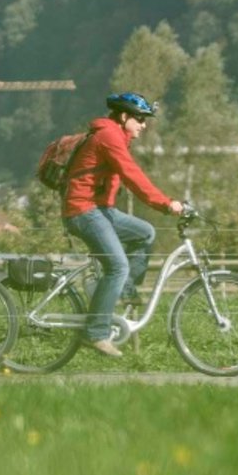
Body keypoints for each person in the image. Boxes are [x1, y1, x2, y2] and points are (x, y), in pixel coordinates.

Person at [63, 92, 185, 357]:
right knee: (117, 266)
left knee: (145, 233)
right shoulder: (109, 137)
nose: (144, 125)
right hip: (84, 211)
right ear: (124, 116)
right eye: (140, 119)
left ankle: (119, 291)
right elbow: (133, 176)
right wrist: (166, 204)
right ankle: (96, 333)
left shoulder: (117, 137)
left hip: (101, 210)